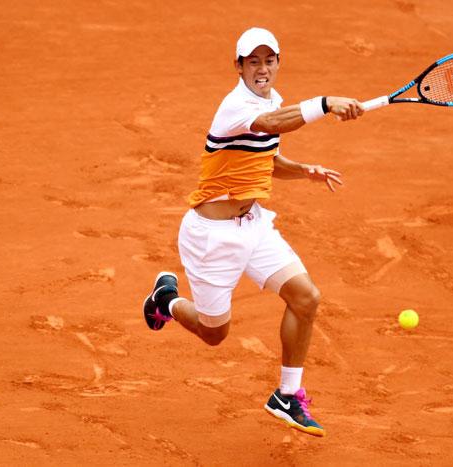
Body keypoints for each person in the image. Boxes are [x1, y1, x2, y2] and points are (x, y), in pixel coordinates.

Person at [142, 27, 364, 437]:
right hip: (212, 237)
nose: (262, 69)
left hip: (255, 225)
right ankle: (166, 301)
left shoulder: (272, 100)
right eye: (253, 62)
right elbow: (269, 124)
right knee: (214, 333)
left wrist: (304, 171)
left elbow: (266, 155)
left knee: (306, 297)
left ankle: (286, 395)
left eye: (269, 60)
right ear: (239, 67)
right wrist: (327, 103)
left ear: (278, 62)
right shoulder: (236, 106)